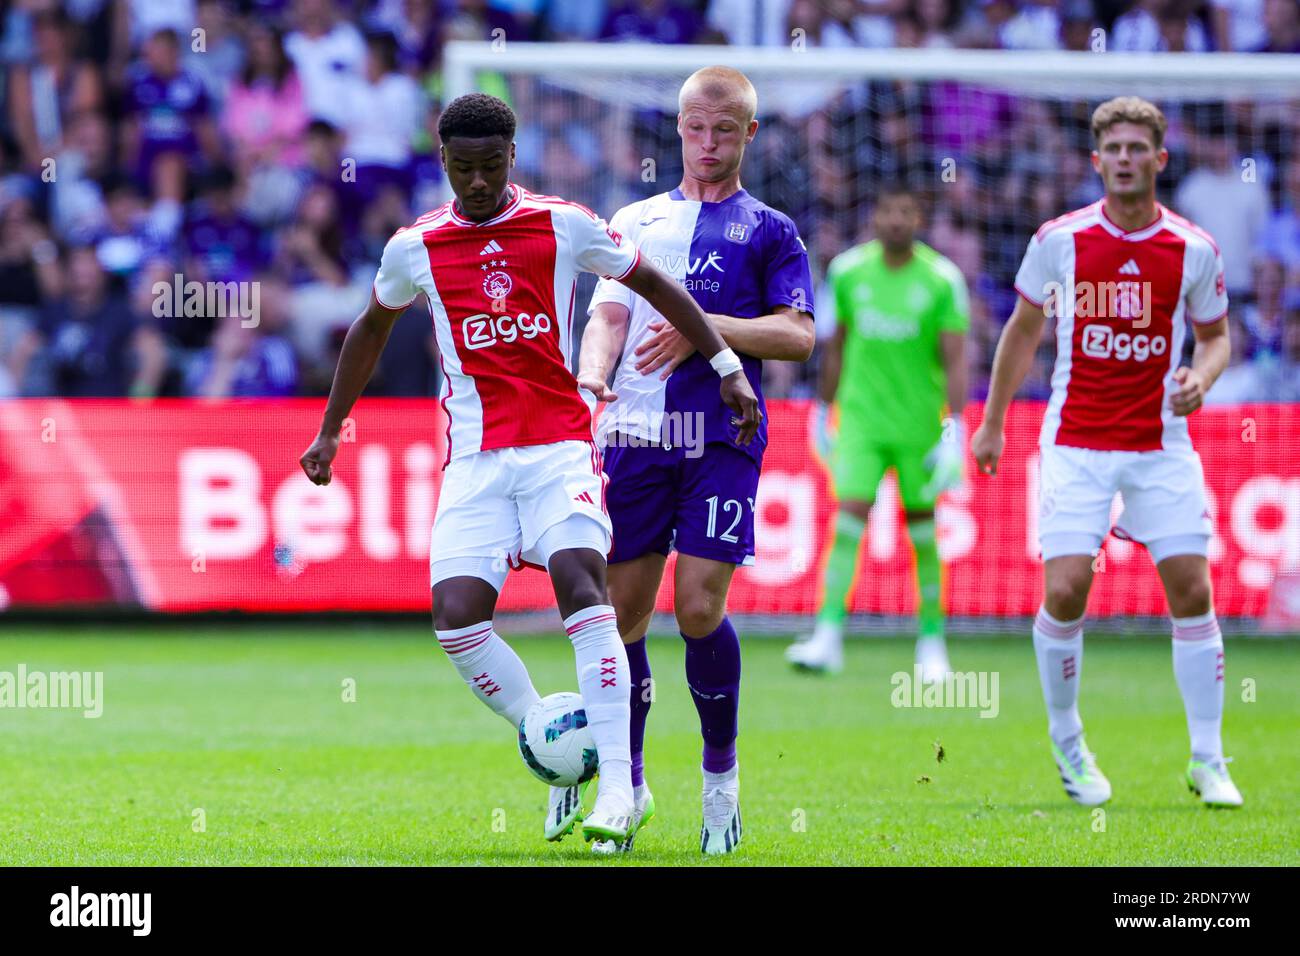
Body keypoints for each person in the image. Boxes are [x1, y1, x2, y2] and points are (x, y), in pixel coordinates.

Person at [298, 93, 759, 847]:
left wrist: (727, 363)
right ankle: (548, 726)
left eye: (490, 167)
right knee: (455, 622)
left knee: (585, 588)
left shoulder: (562, 223)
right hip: (476, 458)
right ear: (442, 161)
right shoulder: (414, 246)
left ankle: (619, 788)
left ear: (512, 158)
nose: (477, 183)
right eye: (462, 169)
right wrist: (329, 429)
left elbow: (654, 287)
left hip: (557, 449)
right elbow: (371, 328)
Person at [971, 96, 1243, 809]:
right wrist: (993, 422)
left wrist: (1201, 377)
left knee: (1192, 591)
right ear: (1097, 161)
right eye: (1112, 149)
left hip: (1160, 444)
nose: (1125, 159)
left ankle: (1209, 759)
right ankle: (1068, 742)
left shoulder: (1193, 248)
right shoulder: (1060, 239)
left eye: (1137, 148)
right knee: (1065, 590)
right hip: (1075, 445)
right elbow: (1023, 333)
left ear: (1159, 158)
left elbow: (1217, 337)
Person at [577, 66, 815, 855]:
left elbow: (797, 335)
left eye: (725, 131)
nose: (708, 145)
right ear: (678, 129)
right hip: (637, 438)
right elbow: (608, 315)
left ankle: (720, 785)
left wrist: (701, 328)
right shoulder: (633, 220)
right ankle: (628, 781)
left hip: (720, 434)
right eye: (695, 129)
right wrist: (594, 373)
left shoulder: (770, 229)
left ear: (749, 135)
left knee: (700, 608)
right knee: (622, 619)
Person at [787, 183, 969, 679]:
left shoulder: (941, 279)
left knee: (924, 531)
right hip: (861, 421)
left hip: (919, 424)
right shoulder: (847, 272)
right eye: (887, 209)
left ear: (919, 216)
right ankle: (827, 635)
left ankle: (932, 644)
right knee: (847, 521)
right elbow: (835, 347)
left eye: (905, 209)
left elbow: (955, 358)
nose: (895, 219)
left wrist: (958, 426)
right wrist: (823, 411)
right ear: (874, 216)